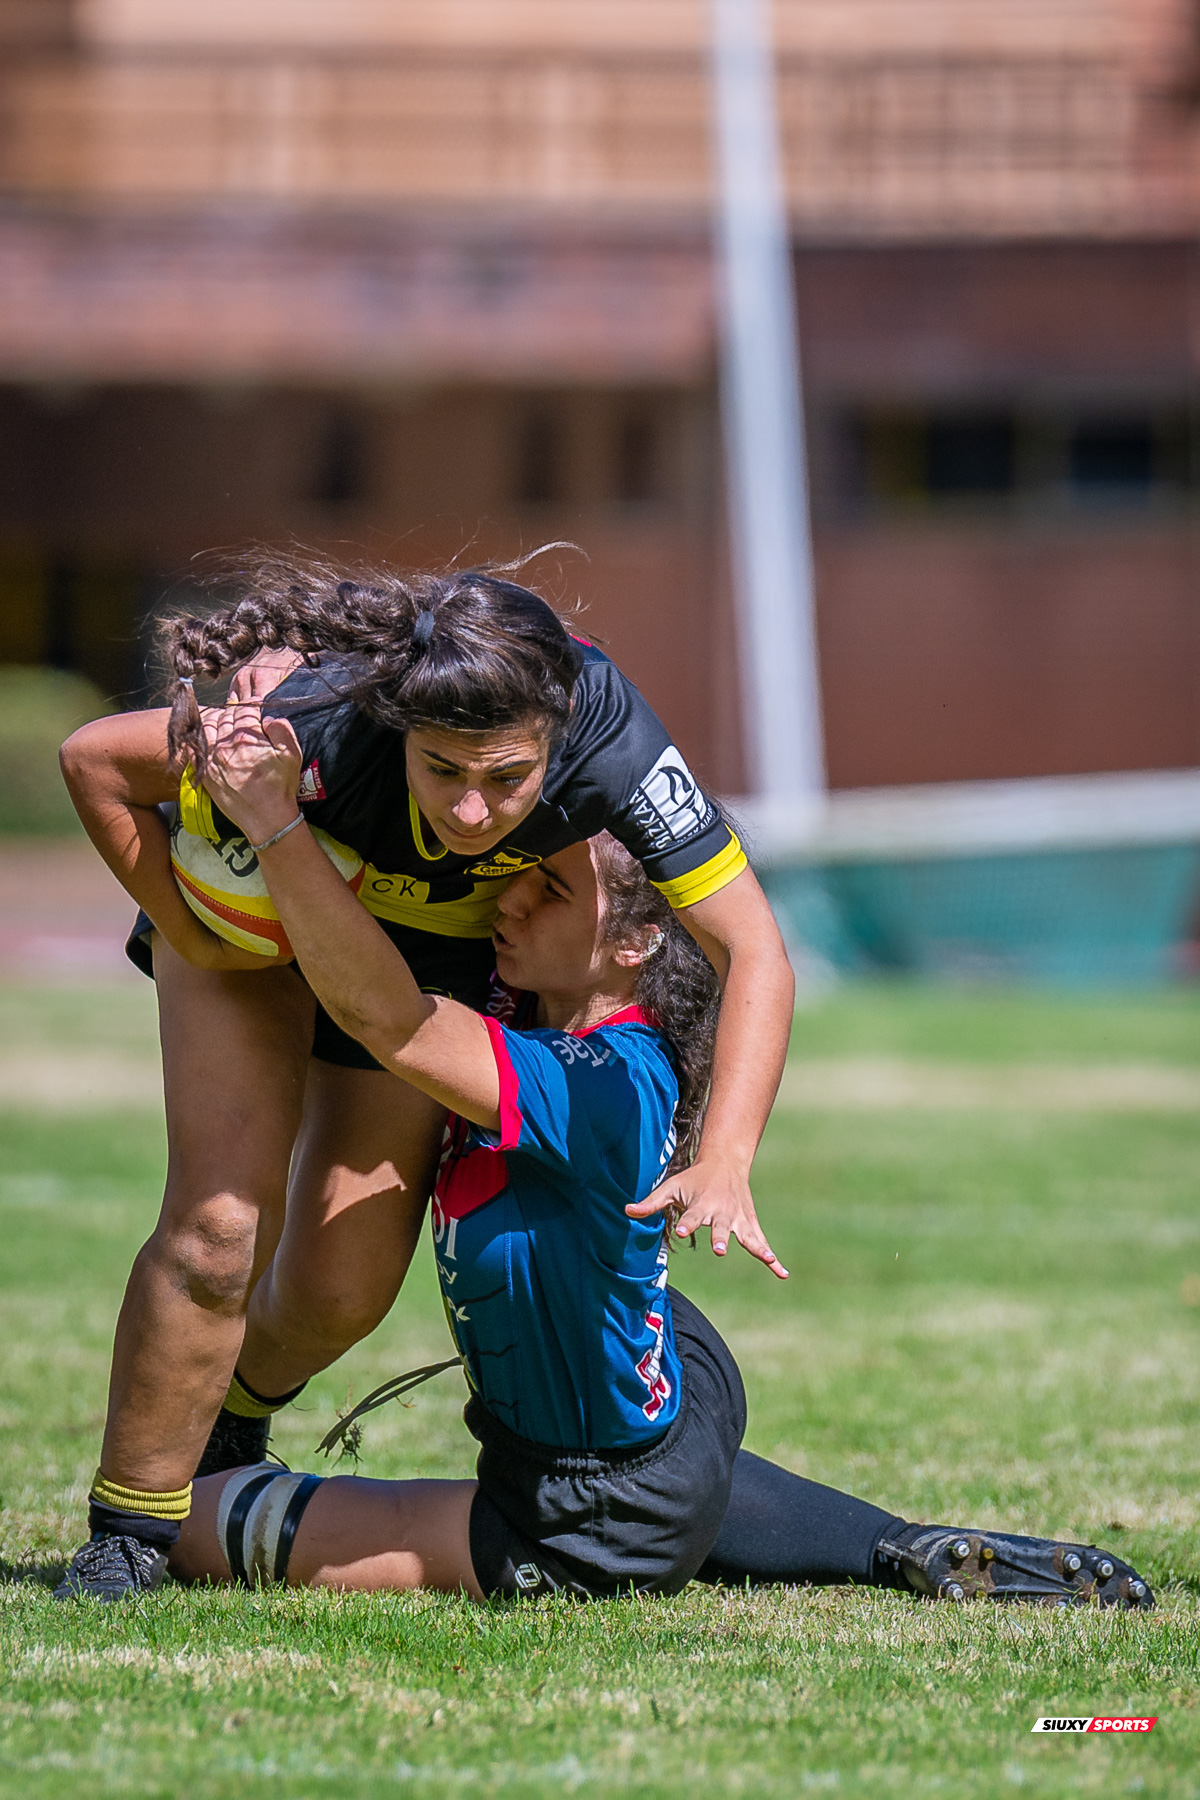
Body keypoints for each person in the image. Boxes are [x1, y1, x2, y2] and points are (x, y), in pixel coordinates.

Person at [155, 720, 1150, 1612]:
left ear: (635, 940)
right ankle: (899, 1544)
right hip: (676, 1389)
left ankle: (823, 1542)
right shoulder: (530, 1013)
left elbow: (391, 1019)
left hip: (578, 1516)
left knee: (187, 1527)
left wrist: (277, 832)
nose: (511, 900)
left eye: (548, 889)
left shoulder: (603, 1075)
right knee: (642, 1429)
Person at [54, 554, 796, 1601]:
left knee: (338, 1294)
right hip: (260, 929)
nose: (475, 813)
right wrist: (191, 933)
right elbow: (92, 759)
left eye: (508, 778)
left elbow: (754, 949)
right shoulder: (315, 730)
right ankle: (127, 1530)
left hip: (418, 973)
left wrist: (725, 1155)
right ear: (402, 730)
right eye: (443, 771)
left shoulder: (618, 744)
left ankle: (223, 1425)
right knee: (221, 1227)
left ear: (559, 738)